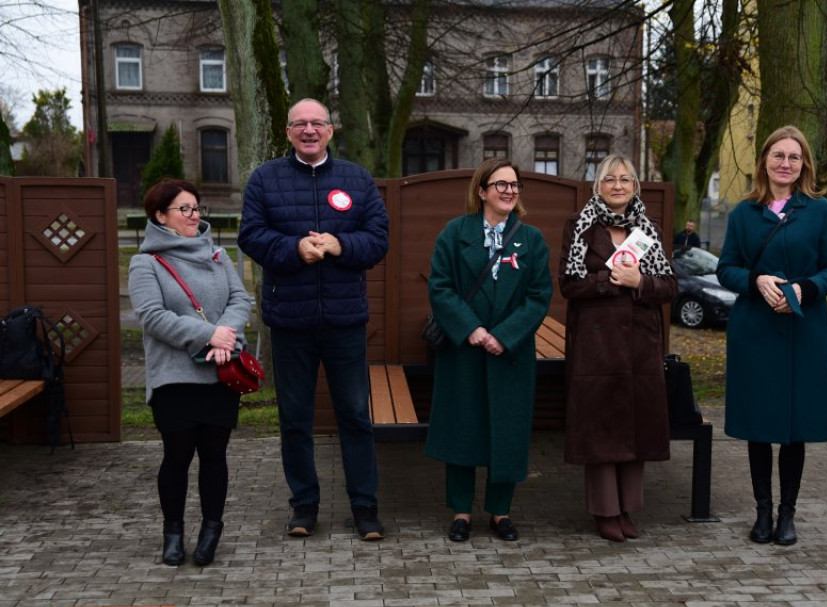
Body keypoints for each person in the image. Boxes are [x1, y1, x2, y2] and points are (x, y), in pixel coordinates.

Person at [238, 98, 389, 541]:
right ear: (288, 132)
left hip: (344, 321)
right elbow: (251, 234)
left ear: (330, 130)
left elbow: (378, 239)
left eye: (316, 123)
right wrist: (293, 250)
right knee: (295, 418)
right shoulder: (265, 180)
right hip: (290, 321)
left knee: (356, 416)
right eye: (299, 124)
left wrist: (341, 246)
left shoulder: (356, 179)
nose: (308, 130)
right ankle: (303, 506)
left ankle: (365, 507)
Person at [716, 126, 827, 546]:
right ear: (765, 162)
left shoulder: (819, 210)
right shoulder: (743, 213)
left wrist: (804, 291)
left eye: (793, 157)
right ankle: (762, 513)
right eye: (778, 156)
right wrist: (756, 281)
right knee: (760, 423)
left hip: (803, 328)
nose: (785, 163)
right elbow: (726, 268)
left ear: (803, 163)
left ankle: (787, 515)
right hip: (756, 329)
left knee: (794, 426)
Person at [425, 158, 552, 542]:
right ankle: (461, 512)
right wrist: (473, 330)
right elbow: (440, 288)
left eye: (515, 185)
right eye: (501, 184)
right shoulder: (455, 232)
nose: (510, 191)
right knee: (462, 429)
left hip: (509, 354)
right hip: (464, 351)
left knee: (507, 431)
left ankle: (500, 512)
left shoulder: (531, 239)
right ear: (482, 191)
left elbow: (539, 295)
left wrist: (505, 335)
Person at [129, 179, 252, 566]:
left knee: (215, 455)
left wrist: (224, 338)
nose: (194, 215)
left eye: (197, 208)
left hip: (220, 374)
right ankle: (173, 532)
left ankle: (211, 530)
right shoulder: (145, 262)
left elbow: (240, 299)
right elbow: (152, 317)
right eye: (185, 209)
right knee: (177, 456)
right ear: (160, 216)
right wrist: (208, 334)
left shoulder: (217, 255)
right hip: (174, 378)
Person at [559, 155, 677, 542]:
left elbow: (668, 286)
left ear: (635, 187)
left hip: (639, 345)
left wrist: (640, 281)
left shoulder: (649, 230)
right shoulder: (579, 227)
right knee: (601, 429)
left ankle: (627, 509)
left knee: (634, 427)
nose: (618, 185)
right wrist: (611, 280)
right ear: (598, 185)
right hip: (596, 345)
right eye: (610, 178)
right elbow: (569, 284)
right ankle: (605, 512)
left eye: (626, 179)